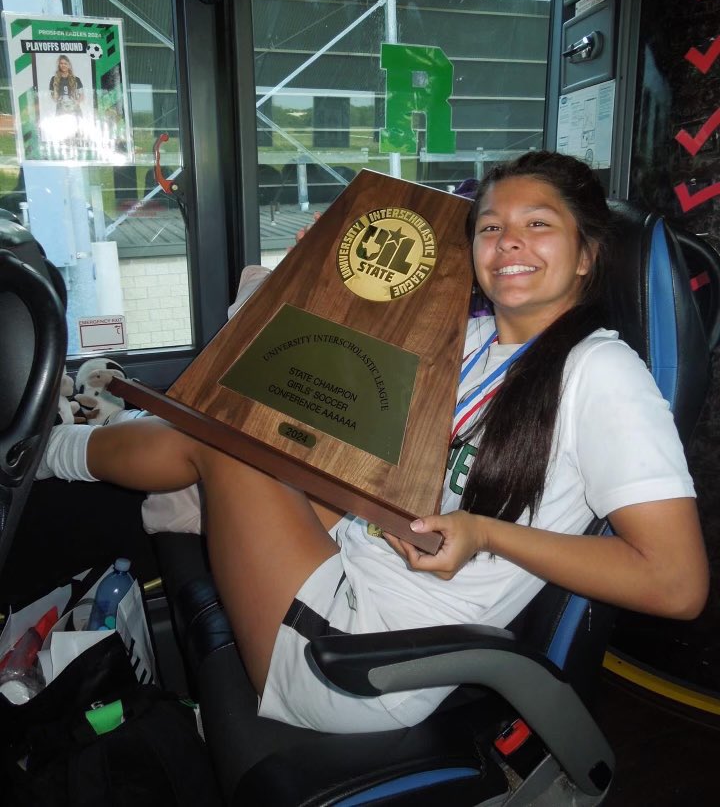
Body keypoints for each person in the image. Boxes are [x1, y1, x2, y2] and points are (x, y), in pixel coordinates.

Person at [38, 151, 709, 733]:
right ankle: (51, 445)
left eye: (539, 224)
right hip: (343, 562)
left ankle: (42, 450)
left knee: (227, 446)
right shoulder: (464, 344)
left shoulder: (602, 374)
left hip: (363, 657)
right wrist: (322, 275)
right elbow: (328, 391)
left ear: (588, 254)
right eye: (490, 226)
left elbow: (677, 584)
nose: (509, 243)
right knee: (224, 429)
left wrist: (487, 534)